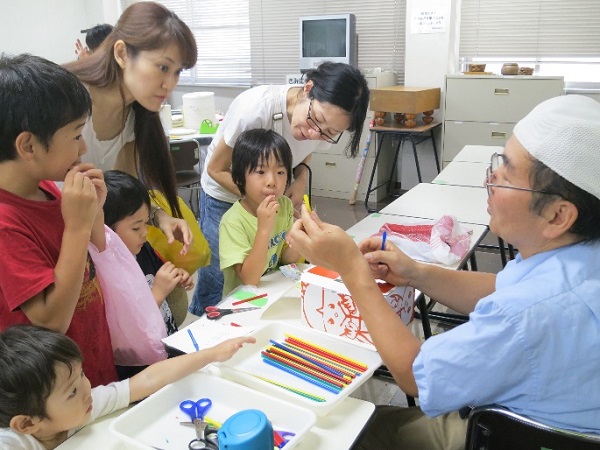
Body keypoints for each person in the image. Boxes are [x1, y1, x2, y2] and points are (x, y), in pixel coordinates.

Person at [287, 94, 600, 449]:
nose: (490, 178)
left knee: (341, 430)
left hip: (506, 436)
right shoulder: (578, 258)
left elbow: (415, 376)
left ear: (558, 216)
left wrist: (352, 267)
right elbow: (501, 287)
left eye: (507, 173)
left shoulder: (525, 315)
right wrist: (416, 273)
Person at [190, 61, 370, 315]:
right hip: (227, 189)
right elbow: (216, 169)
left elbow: (307, 152)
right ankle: (202, 332)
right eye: (315, 120)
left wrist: (301, 180)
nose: (313, 133)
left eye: (329, 132)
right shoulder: (254, 110)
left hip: (268, 201)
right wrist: (258, 202)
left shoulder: (324, 127)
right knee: (219, 278)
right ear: (308, 88)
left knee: (270, 265)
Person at [0, 53, 118, 387]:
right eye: (76, 135)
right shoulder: (5, 223)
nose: (82, 149)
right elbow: (51, 322)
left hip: (90, 363)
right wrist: (78, 226)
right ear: (29, 145)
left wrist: (94, 211)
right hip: (51, 391)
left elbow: (94, 253)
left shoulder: (50, 188)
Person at [63, 1, 196, 254]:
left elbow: (123, 192)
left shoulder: (138, 118)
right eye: (163, 67)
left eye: (177, 72)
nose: (170, 84)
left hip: (93, 245)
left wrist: (159, 216)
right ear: (122, 54)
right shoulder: (67, 99)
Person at [0, 324, 255, 449]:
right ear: (27, 424)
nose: (88, 387)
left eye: (82, 374)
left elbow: (146, 380)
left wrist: (211, 354)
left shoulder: (81, 407)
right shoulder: (10, 444)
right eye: (73, 391)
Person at [103, 169, 193, 338]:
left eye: (146, 223)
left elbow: (161, 273)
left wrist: (176, 277)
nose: (144, 232)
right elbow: (128, 329)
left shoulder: (143, 249)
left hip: (167, 340)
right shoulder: (107, 272)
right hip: (144, 358)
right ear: (106, 229)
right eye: (136, 227)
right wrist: (158, 292)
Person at [220, 129, 301, 297]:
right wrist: (264, 230)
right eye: (260, 172)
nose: (272, 182)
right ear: (239, 178)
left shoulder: (284, 205)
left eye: (280, 172)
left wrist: (300, 235)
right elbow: (249, 280)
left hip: (273, 291)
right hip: (244, 301)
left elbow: (287, 260)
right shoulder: (233, 221)